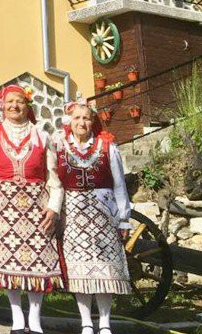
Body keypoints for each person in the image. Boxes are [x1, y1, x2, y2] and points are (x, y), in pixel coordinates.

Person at [0, 85, 63, 334]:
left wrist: (53, 207)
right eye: (10, 102)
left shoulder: (41, 136)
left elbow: (54, 178)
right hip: (3, 207)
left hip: (36, 207)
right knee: (9, 264)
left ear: (27, 106)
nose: (14, 106)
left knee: (37, 263)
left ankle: (35, 319)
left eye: (19, 101)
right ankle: (17, 316)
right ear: (2, 106)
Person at [56, 98, 132, 334]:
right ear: (69, 122)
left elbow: (119, 184)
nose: (82, 123)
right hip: (73, 215)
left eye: (86, 118)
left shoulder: (107, 146)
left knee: (105, 269)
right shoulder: (59, 146)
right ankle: (86, 322)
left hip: (103, 214)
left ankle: (105, 323)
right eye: (77, 118)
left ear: (93, 122)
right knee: (78, 270)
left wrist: (124, 218)